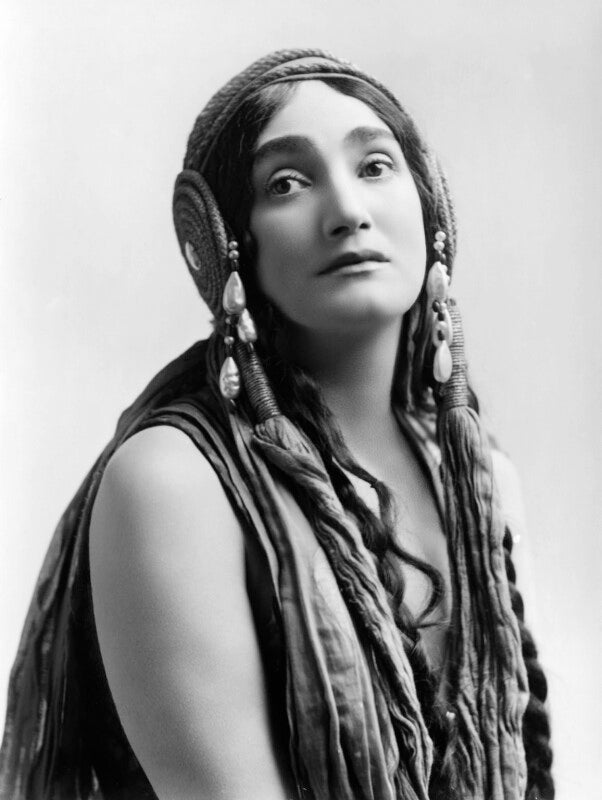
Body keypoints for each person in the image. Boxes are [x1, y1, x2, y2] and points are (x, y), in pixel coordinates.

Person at [0, 49, 554, 800]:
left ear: (433, 211)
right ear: (224, 243)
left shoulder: (481, 479)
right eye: (287, 183)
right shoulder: (174, 486)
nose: (348, 210)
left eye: (375, 166)